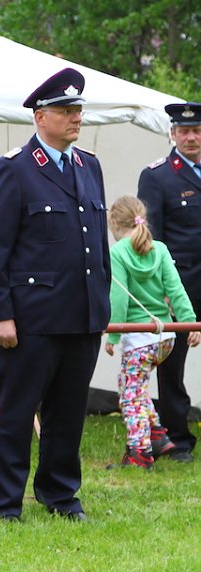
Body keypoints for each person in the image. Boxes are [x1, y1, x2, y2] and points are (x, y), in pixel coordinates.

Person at [0, 68, 110, 521]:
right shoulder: (12, 170)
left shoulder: (89, 166)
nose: (76, 119)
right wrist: (1, 314)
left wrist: (102, 303)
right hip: (32, 317)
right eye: (66, 111)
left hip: (82, 313)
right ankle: (0, 503)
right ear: (39, 117)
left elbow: (97, 245)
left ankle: (60, 495)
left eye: (78, 111)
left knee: (68, 415)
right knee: (15, 414)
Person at [104, 196, 201, 469]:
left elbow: (119, 299)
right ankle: (157, 434)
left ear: (114, 223)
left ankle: (140, 453)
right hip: (165, 337)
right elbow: (177, 290)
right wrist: (189, 323)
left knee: (130, 396)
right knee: (136, 386)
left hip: (138, 339)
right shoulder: (159, 249)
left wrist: (113, 335)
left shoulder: (118, 253)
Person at [136, 102, 201, 463]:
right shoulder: (157, 176)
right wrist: (161, 289)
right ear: (172, 134)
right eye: (184, 131)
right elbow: (150, 238)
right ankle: (176, 437)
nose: (191, 137)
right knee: (171, 364)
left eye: (197, 131)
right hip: (180, 286)